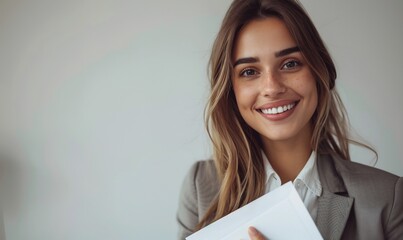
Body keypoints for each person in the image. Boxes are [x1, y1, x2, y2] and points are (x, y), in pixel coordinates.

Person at [176, 0, 403, 239]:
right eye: (249, 71)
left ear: (319, 72)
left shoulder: (388, 198)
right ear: (230, 90)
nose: (272, 87)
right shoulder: (201, 187)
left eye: (290, 64)